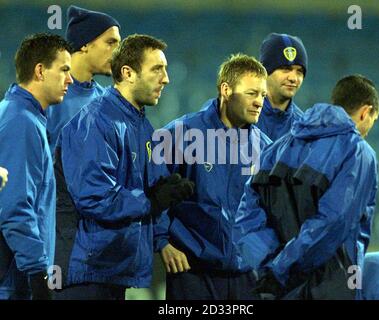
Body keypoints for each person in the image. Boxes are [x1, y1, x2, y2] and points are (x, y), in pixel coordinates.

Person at [53, 34, 194, 300]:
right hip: (85, 273)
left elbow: (154, 191)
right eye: (157, 69)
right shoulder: (97, 122)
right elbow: (94, 197)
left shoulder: (143, 127)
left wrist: (162, 236)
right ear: (128, 73)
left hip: (113, 270)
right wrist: (151, 201)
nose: (166, 78)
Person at [237, 74, 379, 300]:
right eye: (373, 119)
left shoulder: (278, 148)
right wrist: (283, 267)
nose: (369, 128)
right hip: (332, 284)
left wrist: (269, 265)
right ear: (365, 112)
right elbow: (334, 221)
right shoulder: (359, 152)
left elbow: (247, 213)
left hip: (275, 287)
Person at [153, 53, 274, 300]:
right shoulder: (181, 134)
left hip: (246, 277)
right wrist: (162, 241)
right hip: (193, 273)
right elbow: (153, 190)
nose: (260, 102)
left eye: (262, 95)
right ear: (226, 90)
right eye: (251, 93)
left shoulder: (267, 149)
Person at [0, 33, 72, 300]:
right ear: (40, 71)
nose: (70, 80)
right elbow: (15, 206)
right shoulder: (22, 122)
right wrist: (39, 274)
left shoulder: (21, 115)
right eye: (64, 69)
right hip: (14, 282)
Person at [46, 5, 121, 154]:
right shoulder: (48, 95)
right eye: (111, 43)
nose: (118, 51)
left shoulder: (107, 100)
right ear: (85, 44)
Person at [256, 32, 307, 142]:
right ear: (265, 71)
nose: (293, 78)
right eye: (285, 69)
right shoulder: (238, 116)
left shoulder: (303, 129)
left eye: (300, 71)